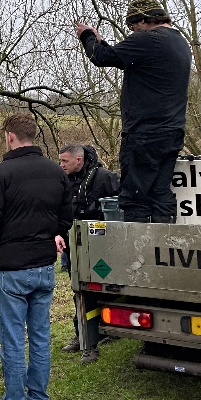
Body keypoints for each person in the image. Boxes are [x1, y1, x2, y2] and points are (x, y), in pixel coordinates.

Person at [0, 114, 72, 400]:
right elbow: (66, 217)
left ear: (10, 136)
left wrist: (4, 243)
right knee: (41, 337)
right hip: (45, 267)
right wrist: (51, 233)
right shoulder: (57, 172)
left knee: (14, 340)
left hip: (12, 271)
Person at [76, 0, 191, 224]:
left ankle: (139, 256)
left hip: (144, 135)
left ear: (143, 20)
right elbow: (122, 56)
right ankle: (164, 251)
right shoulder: (180, 42)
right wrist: (104, 42)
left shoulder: (147, 39)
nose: (131, 31)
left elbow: (101, 57)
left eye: (132, 26)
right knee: (160, 194)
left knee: (134, 198)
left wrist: (87, 35)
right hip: (172, 133)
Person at [58, 144, 120, 363]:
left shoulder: (103, 177)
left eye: (65, 161)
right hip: (71, 248)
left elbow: (122, 207)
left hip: (100, 251)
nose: (61, 165)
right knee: (80, 294)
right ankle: (84, 338)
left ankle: (99, 336)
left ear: (79, 160)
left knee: (100, 291)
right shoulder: (62, 180)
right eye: (60, 161)